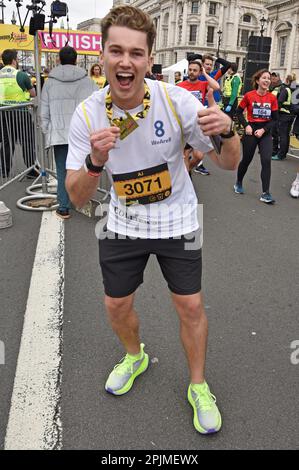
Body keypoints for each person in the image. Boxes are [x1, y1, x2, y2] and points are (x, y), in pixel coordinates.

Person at [65, 4, 240, 435]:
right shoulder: (87, 114)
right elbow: (74, 195)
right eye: (116, 51)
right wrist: (94, 161)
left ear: (148, 59)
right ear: (102, 56)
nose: (126, 62)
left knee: (191, 305)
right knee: (116, 304)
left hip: (178, 220)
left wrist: (229, 131)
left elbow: (227, 164)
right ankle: (134, 355)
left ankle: (198, 385)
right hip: (121, 222)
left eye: (136, 53)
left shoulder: (176, 100)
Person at [41, 45, 98, 219]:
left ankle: (64, 207)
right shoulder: (88, 81)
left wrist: (47, 131)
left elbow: (44, 111)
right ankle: (81, 201)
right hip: (83, 134)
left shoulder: (50, 82)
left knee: (62, 170)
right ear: (75, 59)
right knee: (84, 169)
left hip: (59, 134)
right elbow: (97, 107)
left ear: (59, 59)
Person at [234, 69, 278, 204]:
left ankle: (265, 193)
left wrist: (264, 130)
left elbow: (275, 119)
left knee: (266, 160)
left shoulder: (272, 98)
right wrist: (246, 125)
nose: (267, 81)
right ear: (258, 81)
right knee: (247, 159)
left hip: (265, 132)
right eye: (264, 78)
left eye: (268, 79)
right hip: (251, 130)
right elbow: (239, 112)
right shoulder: (249, 95)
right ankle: (238, 182)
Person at [177, 60, 220, 174]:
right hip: (185, 125)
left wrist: (205, 74)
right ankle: (185, 179)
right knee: (185, 155)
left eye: (195, 70)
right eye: (190, 70)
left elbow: (216, 86)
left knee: (199, 156)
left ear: (199, 72)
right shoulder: (180, 86)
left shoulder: (203, 84)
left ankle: (188, 170)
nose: (191, 72)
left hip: (198, 124)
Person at [0, 49, 37, 178]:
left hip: (3, 113)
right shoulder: (21, 75)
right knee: (27, 140)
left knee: (6, 142)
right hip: (20, 112)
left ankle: (4, 170)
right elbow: (33, 93)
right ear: (14, 60)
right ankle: (31, 169)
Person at [194, 54, 231, 175]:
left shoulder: (215, 74)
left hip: (213, 107)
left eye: (211, 64)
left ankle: (197, 161)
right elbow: (191, 62)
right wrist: (200, 57)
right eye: (207, 64)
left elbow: (228, 65)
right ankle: (196, 162)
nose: (209, 66)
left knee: (206, 135)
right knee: (200, 135)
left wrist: (215, 58)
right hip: (200, 107)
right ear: (202, 65)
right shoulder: (199, 74)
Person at [271, 74, 295, 161]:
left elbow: (279, 103)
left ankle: (280, 155)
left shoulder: (285, 89)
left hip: (284, 115)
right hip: (291, 115)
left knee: (282, 135)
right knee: (286, 135)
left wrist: (274, 114)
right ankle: (283, 153)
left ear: (287, 80)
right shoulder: (294, 89)